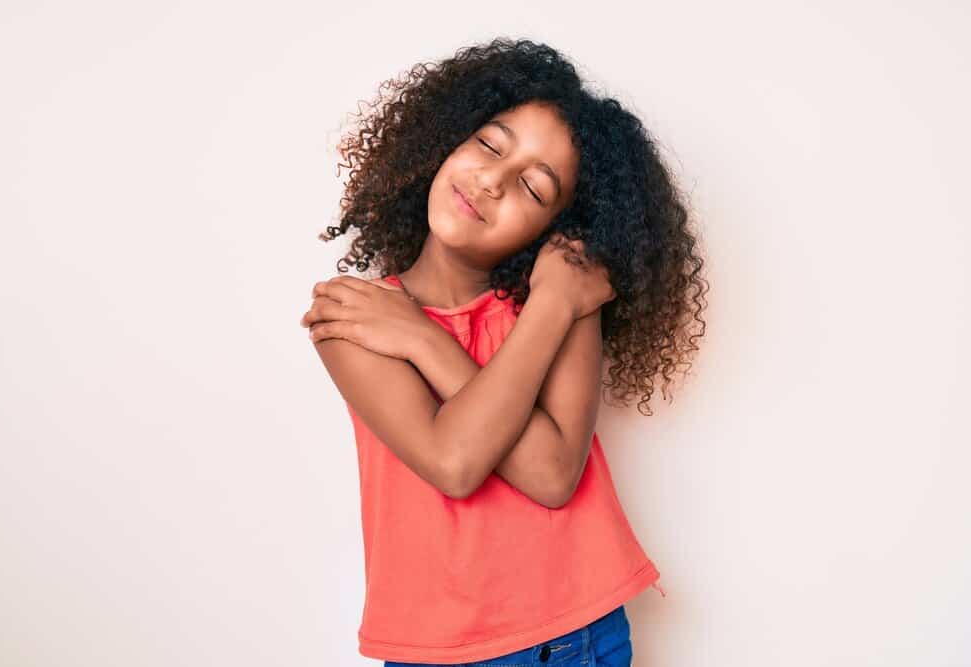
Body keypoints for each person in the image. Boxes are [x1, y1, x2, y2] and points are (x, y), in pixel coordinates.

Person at [301, 37, 707, 666]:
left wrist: (539, 306)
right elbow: (453, 460)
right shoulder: (356, 316)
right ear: (447, 141)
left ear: (554, 226)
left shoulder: (560, 296)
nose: (491, 181)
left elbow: (551, 476)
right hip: (443, 650)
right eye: (489, 145)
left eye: (534, 189)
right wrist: (420, 331)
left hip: (583, 634)